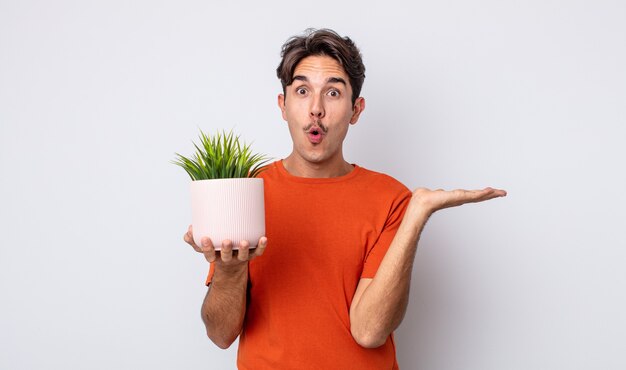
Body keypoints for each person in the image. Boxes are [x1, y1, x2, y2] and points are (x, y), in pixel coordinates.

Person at [183, 28, 506, 369]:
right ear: (283, 105)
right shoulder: (245, 190)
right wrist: (230, 270)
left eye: (333, 92)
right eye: (302, 90)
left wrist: (417, 215)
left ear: (356, 109)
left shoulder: (392, 199)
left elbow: (369, 330)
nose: (316, 109)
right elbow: (220, 334)